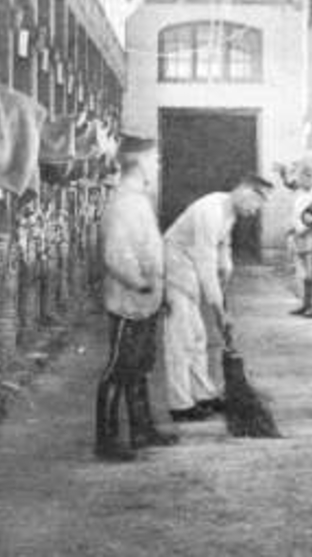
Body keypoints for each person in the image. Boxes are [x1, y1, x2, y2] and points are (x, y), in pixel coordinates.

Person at [162, 175, 273, 421]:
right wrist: (219, 310)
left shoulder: (228, 211)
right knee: (180, 337)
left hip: (190, 264)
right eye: (258, 202)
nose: (256, 211)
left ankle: (204, 395)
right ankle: (180, 405)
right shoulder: (211, 210)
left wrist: (226, 270)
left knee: (198, 336)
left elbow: (223, 248)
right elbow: (205, 262)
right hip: (176, 263)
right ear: (246, 191)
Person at [95, 134, 178, 462]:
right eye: (154, 159)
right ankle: (106, 440)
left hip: (144, 299)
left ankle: (142, 430)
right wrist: (140, 283)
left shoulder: (137, 199)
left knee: (140, 366)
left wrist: (156, 289)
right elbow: (116, 253)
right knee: (119, 368)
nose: (157, 165)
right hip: (128, 299)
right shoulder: (125, 202)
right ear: (139, 162)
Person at [289, 163, 312, 318]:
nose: (300, 181)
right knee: (304, 274)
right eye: (299, 178)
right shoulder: (299, 195)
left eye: (303, 178)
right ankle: (305, 304)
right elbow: (295, 214)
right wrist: (293, 229)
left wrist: (306, 228)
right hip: (299, 236)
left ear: (310, 177)